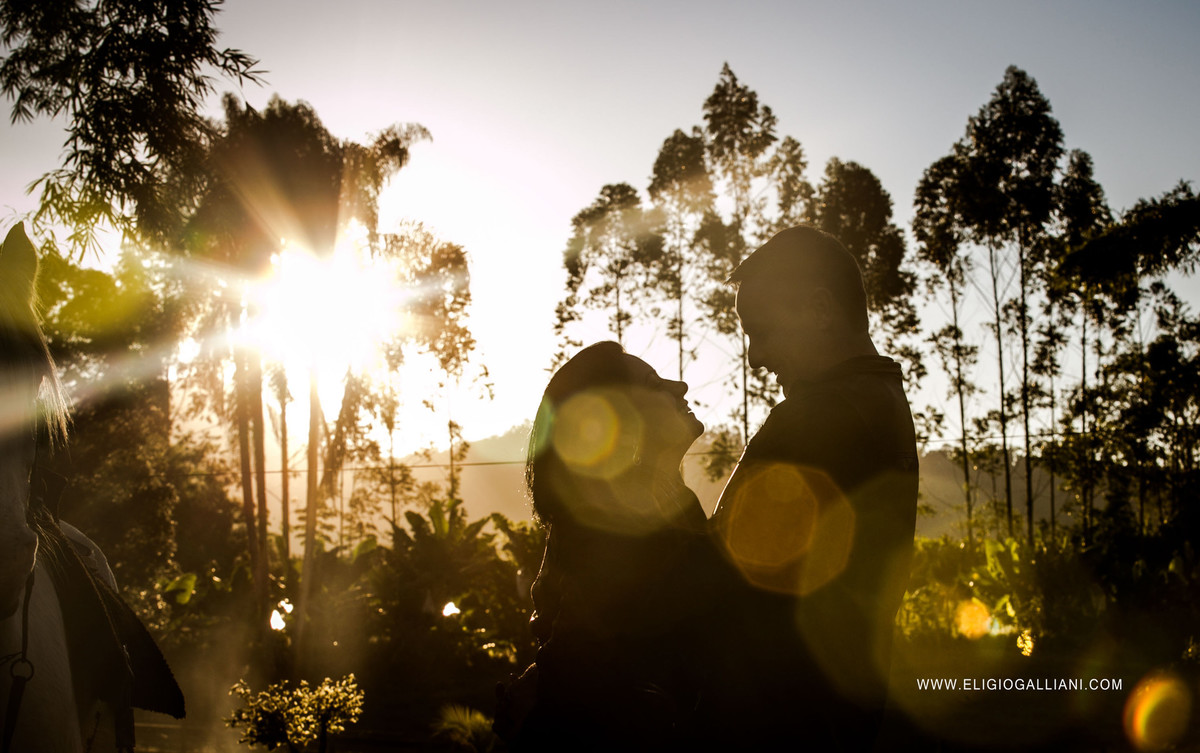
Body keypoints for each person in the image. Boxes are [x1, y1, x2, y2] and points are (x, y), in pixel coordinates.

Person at [707, 224, 919, 750]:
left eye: (763, 331)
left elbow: (709, 568)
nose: (756, 357)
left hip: (782, 719)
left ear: (821, 310)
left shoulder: (817, 417)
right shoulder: (880, 399)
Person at [495, 341, 736, 752]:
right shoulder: (615, 521)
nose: (680, 385)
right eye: (654, 384)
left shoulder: (673, 505)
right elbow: (583, 656)